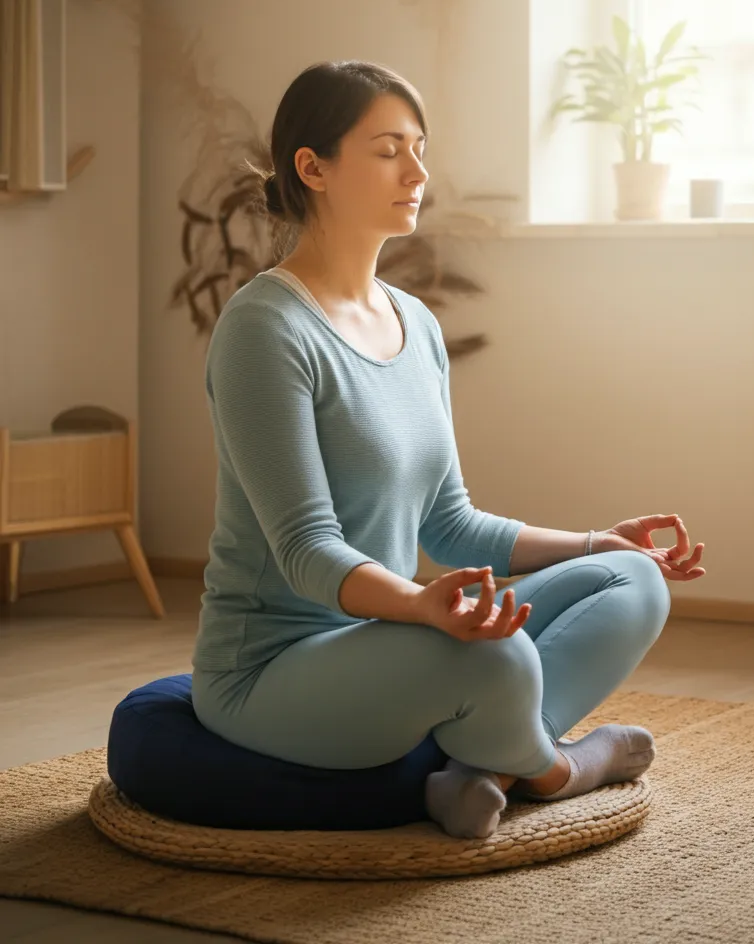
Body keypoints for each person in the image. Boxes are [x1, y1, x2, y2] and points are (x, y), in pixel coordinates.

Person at [191, 60, 707, 839]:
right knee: (495, 661)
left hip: (385, 642)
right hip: (273, 668)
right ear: (314, 167)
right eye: (389, 149)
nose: (419, 172)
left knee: (634, 583)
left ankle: (481, 769)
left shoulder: (415, 324)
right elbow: (305, 551)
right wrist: (421, 609)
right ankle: (562, 767)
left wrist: (598, 540)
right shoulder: (265, 329)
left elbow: (450, 523)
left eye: (421, 147)